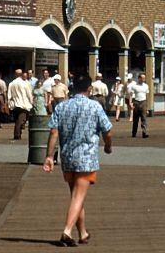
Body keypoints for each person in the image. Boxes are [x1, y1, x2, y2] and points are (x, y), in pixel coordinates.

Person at [43, 74, 112, 247]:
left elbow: (53, 132)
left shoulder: (62, 106)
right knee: (78, 196)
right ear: (89, 89)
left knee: (76, 195)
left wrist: (50, 156)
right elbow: (107, 130)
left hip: (67, 157)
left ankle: (83, 232)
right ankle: (67, 231)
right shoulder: (94, 106)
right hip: (86, 157)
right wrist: (108, 145)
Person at [8, 68, 34, 141]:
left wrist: (9, 105)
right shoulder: (25, 83)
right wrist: (32, 102)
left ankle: (18, 133)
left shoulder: (11, 83)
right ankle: (17, 134)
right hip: (24, 105)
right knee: (21, 120)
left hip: (15, 105)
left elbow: (9, 96)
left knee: (17, 120)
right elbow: (29, 94)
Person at [130, 72, 149, 138]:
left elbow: (147, 95)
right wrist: (131, 103)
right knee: (135, 119)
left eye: (144, 78)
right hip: (136, 102)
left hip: (143, 102)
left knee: (144, 118)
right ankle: (134, 133)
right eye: (142, 78)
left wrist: (147, 105)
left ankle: (144, 133)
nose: (143, 79)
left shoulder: (146, 86)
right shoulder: (134, 86)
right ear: (139, 78)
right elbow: (131, 95)